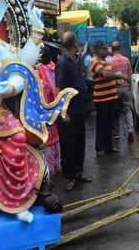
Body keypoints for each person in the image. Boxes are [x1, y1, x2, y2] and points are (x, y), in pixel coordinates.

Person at [56, 31, 90, 191]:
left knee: (79, 144)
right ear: (74, 44)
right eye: (77, 42)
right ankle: (69, 177)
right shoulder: (62, 63)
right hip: (70, 113)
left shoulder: (73, 60)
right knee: (68, 147)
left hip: (79, 109)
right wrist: (64, 113)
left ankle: (78, 173)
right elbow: (59, 90)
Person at [91, 41, 128, 157]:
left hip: (111, 97)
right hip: (101, 99)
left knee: (109, 123)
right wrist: (120, 76)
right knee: (102, 123)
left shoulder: (106, 62)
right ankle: (100, 147)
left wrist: (116, 80)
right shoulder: (95, 62)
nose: (107, 51)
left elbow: (108, 77)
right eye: (104, 49)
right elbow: (105, 75)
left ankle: (108, 146)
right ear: (98, 51)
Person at [37, 46, 61, 175]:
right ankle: (57, 164)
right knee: (56, 136)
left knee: (47, 139)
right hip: (56, 106)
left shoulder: (39, 71)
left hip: (44, 109)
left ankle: (51, 168)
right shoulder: (54, 68)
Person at [107, 41, 134, 143]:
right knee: (127, 110)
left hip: (115, 90)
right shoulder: (126, 60)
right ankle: (130, 129)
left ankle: (116, 133)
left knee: (115, 112)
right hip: (126, 88)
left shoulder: (110, 62)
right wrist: (129, 87)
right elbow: (130, 75)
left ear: (112, 50)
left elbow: (109, 78)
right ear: (120, 48)